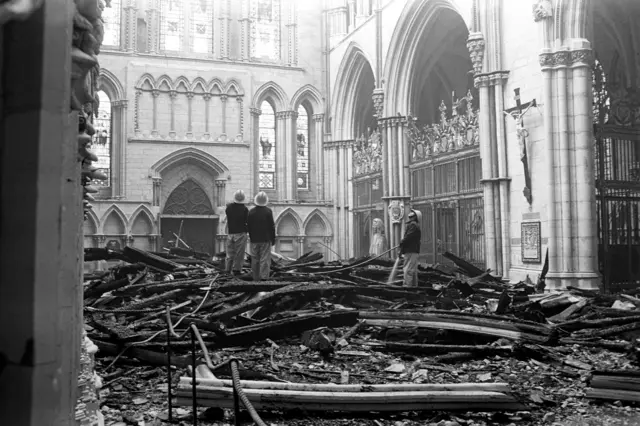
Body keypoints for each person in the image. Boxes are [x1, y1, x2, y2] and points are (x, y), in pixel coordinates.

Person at [247, 191, 276, 281]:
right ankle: (264, 278)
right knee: (264, 259)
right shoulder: (268, 211)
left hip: (254, 239)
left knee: (255, 259)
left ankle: (255, 278)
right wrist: (273, 238)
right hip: (265, 239)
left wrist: (251, 237)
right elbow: (272, 226)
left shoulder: (251, 211)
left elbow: (249, 226)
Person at [225, 190, 249, 275]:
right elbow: (247, 222)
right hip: (241, 233)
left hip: (230, 233)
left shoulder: (229, 208)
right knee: (239, 254)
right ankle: (236, 271)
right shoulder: (244, 209)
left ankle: (227, 270)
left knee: (230, 253)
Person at [399, 209, 422, 287]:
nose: (410, 215)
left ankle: (407, 288)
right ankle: (414, 287)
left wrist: (401, 242)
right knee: (413, 270)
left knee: (408, 270)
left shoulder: (413, 225)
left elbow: (408, 237)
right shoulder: (414, 225)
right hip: (412, 251)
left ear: (415, 217)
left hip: (410, 251)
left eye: (412, 214)